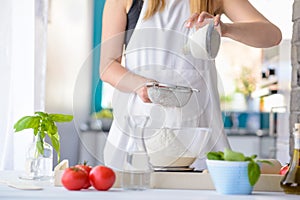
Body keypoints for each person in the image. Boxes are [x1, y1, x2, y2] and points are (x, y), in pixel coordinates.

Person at [100, 0, 282, 170]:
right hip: (137, 136)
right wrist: (143, 85)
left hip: (200, 138)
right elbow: (107, 67)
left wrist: (224, 29)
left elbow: (272, 35)